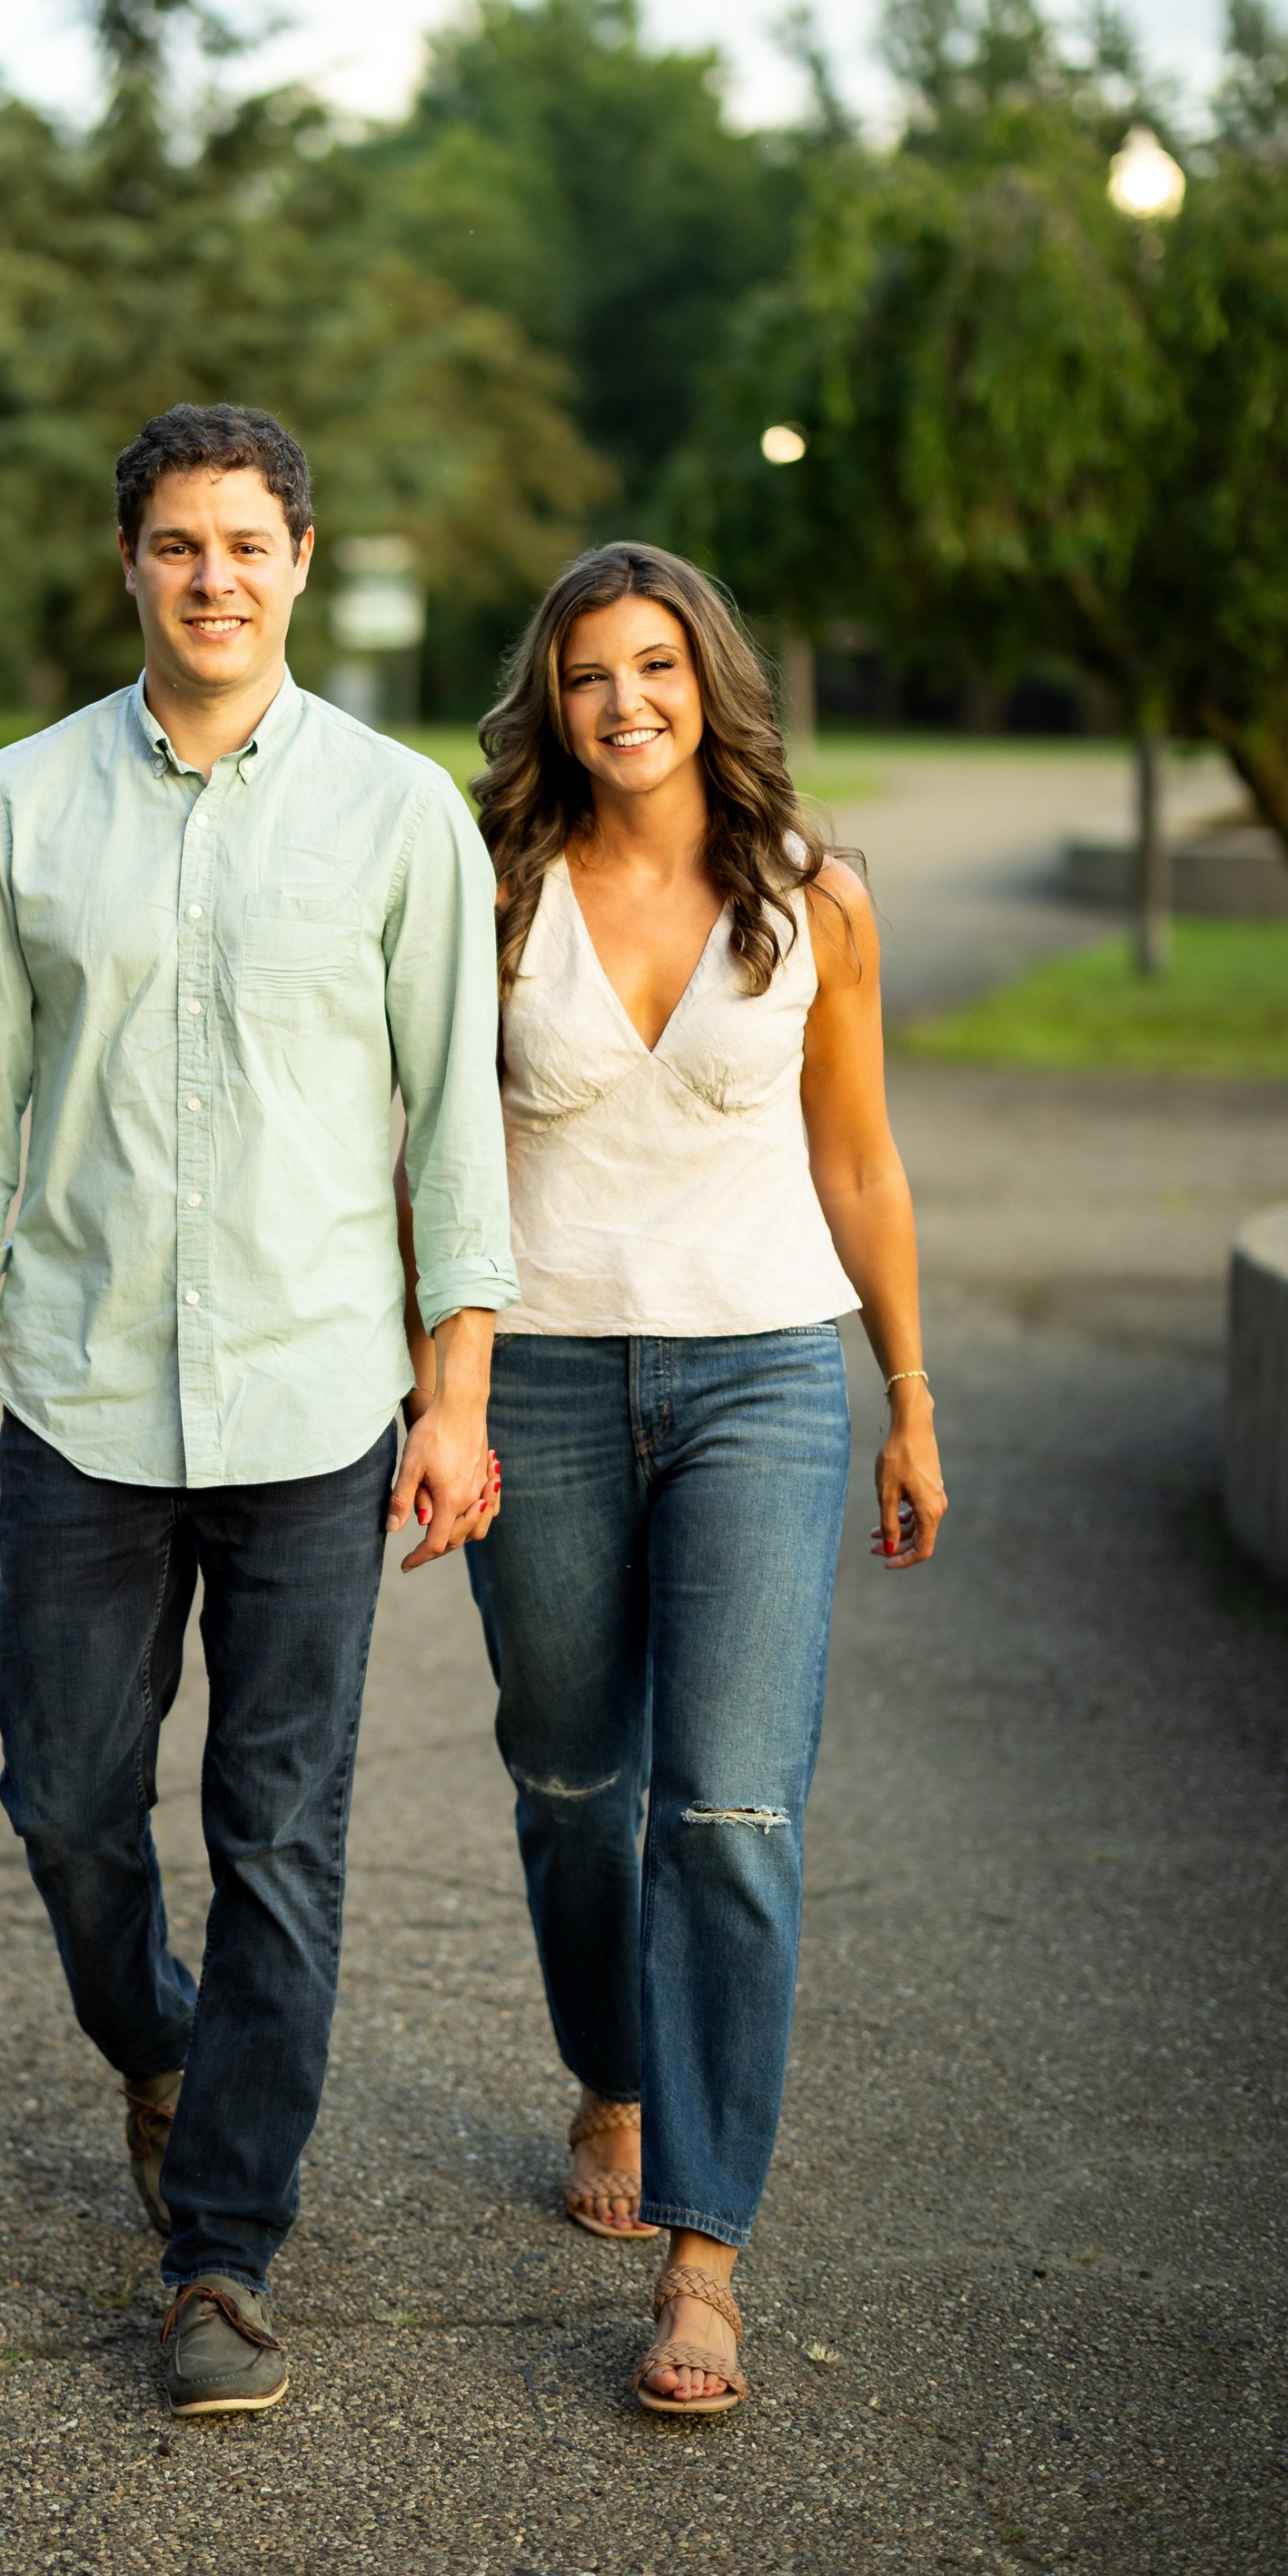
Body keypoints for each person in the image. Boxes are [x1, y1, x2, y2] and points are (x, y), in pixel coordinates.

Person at [0, 402, 512, 2420]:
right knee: (65, 1803)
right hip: (76, 1393)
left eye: (245, 543)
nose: (211, 578)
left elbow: (453, 1132)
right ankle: (159, 2036)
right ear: (127, 565)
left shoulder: (399, 811)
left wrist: (452, 1397)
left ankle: (221, 2255)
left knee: (280, 1836)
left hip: (321, 1402)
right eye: (174, 545)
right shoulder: (18, 804)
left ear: (301, 562)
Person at [453, 540, 946, 2420]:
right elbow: (430, 1159)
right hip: (546, 1385)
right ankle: (610, 2063)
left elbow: (861, 1164)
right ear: (550, 700)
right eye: (587, 673)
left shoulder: (815, 898)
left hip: (761, 1377)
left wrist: (905, 1392)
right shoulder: (490, 891)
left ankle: (704, 2254)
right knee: (576, 1789)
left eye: (654, 665)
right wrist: (444, 1390)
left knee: (727, 1814)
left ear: (707, 680)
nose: (622, 702)